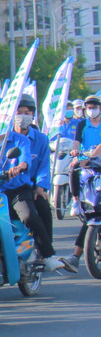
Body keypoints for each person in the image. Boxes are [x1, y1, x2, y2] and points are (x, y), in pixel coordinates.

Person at [0, 113, 64, 272]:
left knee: (29, 216)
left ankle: (47, 255)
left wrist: (19, 167)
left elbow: (26, 159)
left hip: (17, 189)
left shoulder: (20, 140)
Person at [63, 94, 101, 270]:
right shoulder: (81, 124)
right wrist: (75, 152)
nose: (92, 109)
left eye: (95, 106)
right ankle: (76, 201)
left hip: (95, 161)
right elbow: (76, 143)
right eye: (89, 106)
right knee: (91, 215)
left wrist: (92, 157)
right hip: (88, 167)